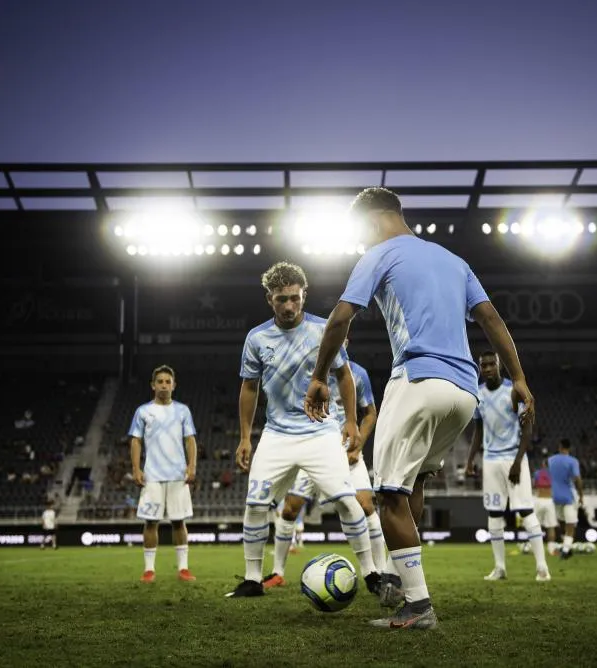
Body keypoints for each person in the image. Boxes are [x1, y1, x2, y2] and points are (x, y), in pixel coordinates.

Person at [304, 187, 534, 631]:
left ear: (370, 222)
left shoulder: (380, 253)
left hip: (418, 380)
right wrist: (519, 378)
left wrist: (318, 377)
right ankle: (406, 581)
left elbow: (339, 317)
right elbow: (492, 320)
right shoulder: (453, 260)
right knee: (413, 487)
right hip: (464, 392)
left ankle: (418, 604)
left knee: (389, 494)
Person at [227, 262, 379, 599]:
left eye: (295, 298)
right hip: (277, 434)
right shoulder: (257, 338)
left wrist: (351, 421)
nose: (289, 306)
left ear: (304, 295)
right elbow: (249, 388)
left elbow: (344, 375)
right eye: (281, 299)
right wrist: (244, 437)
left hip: (320, 432)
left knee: (346, 500)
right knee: (255, 503)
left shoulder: (324, 330)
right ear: (270, 299)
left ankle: (371, 574)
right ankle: (253, 579)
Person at [267, 339, 383, 589]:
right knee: (289, 510)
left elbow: (370, 412)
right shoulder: (302, 373)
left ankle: (377, 572)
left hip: (347, 453)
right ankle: (277, 572)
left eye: (340, 341)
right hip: (312, 452)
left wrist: (358, 445)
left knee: (365, 506)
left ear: (347, 343)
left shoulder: (357, 374)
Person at [465, 351, 550, 582]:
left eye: (492, 364)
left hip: (513, 458)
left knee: (525, 510)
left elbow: (527, 429)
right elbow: (478, 431)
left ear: (499, 365)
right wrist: (471, 459)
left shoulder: (513, 390)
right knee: (494, 513)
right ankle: (500, 567)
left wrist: (518, 461)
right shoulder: (478, 394)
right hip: (490, 460)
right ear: (480, 368)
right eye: (484, 365)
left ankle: (542, 567)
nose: (488, 368)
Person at [130, 365, 198, 582]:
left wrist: (192, 466)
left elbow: (190, 440)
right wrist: (136, 468)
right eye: (160, 381)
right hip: (152, 475)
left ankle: (183, 569)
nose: (164, 385)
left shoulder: (183, 411)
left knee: (179, 522)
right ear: (153, 385)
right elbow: (136, 441)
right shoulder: (143, 411)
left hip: (178, 475)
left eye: (168, 381)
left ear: (174, 385)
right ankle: (149, 569)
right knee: (150, 522)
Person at [548, 439, 583, 560]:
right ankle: (566, 549)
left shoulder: (550, 460)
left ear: (559, 446)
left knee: (561, 522)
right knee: (570, 525)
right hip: (568, 496)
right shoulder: (573, 461)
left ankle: (564, 545)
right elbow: (577, 479)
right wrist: (581, 495)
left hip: (554, 496)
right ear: (569, 448)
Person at [532, 460, 559, 555]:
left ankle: (535, 549)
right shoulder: (553, 474)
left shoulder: (537, 473)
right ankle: (551, 549)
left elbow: (534, 485)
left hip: (539, 499)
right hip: (549, 500)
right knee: (551, 526)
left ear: (543, 464)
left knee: (535, 526)